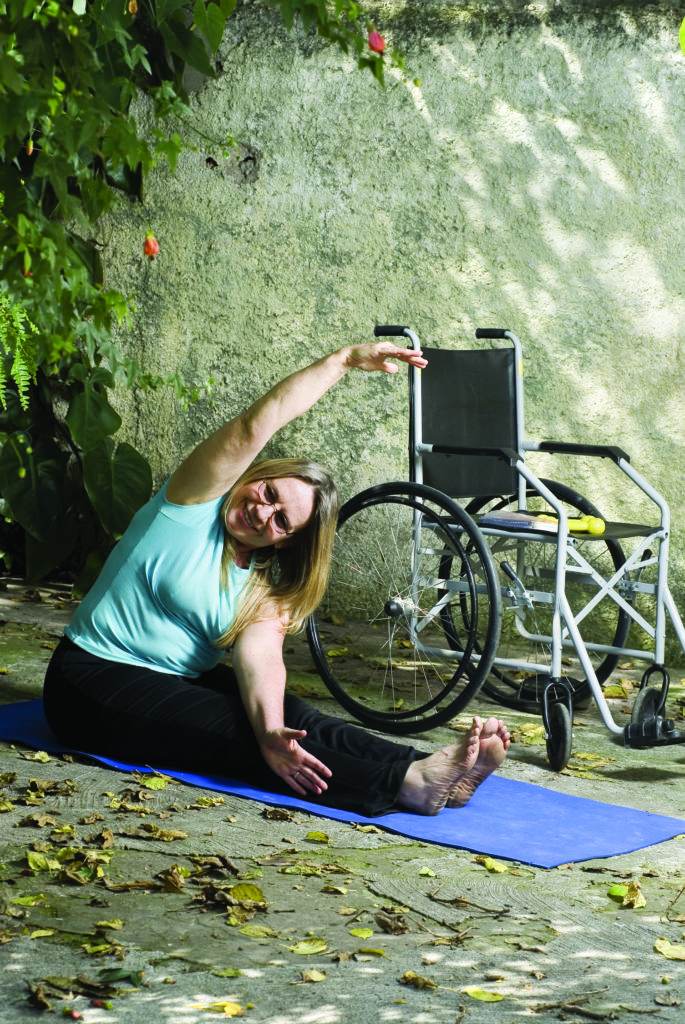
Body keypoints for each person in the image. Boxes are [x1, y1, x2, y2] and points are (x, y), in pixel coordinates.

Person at [43, 341, 510, 817]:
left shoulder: (267, 586)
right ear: (259, 475)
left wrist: (273, 727)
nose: (261, 512)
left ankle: (436, 771)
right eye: (267, 492)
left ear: (287, 542)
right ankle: (408, 785)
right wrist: (342, 362)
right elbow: (255, 425)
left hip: (178, 681)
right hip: (89, 681)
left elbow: (261, 659)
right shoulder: (189, 502)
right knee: (240, 731)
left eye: (281, 521)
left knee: (292, 720)